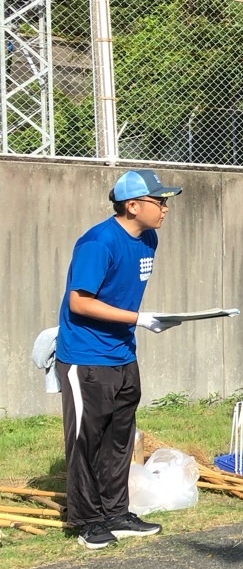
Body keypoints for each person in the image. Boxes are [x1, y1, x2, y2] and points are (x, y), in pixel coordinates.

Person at [56, 169, 184, 549]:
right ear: (132, 206)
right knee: (85, 440)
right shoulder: (98, 243)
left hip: (123, 354)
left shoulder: (149, 239)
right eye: (158, 202)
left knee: (118, 439)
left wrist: (143, 322)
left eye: (165, 202)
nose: (164, 208)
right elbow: (80, 302)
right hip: (87, 356)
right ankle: (87, 521)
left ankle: (115, 512)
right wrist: (139, 319)